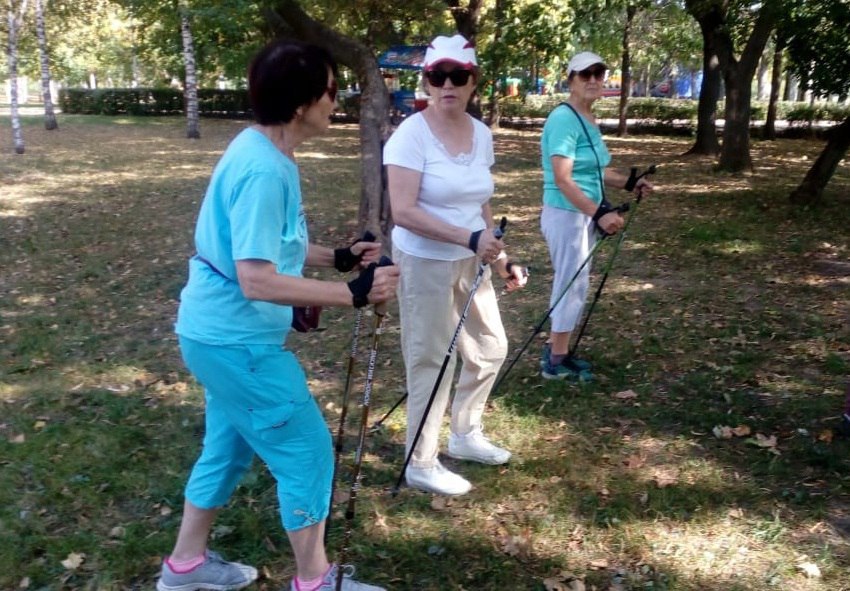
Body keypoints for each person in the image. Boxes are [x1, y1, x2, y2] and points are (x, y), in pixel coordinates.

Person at [156, 40, 399, 591]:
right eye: (331, 91)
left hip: (218, 338)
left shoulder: (265, 150)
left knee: (227, 445)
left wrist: (334, 257)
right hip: (236, 344)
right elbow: (255, 278)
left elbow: (266, 247)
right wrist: (354, 290)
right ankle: (316, 582)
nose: (338, 101)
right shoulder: (264, 169)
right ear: (300, 105)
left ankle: (184, 567)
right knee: (308, 450)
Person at [384, 34, 528, 497]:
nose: (448, 84)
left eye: (458, 76)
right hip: (423, 261)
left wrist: (499, 255)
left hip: (472, 259)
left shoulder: (481, 133)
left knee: (490, 347)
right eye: (437, 76)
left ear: (472, 82)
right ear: (426, 80)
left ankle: (465, 435)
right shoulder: (410, 135)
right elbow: (403, 211)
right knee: (431, 360)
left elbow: (482, 203)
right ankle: (420, 462)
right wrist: (468, 238)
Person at [539, 51, 654, 381]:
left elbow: (595, 170)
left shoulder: (586, 117)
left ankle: (557, 350)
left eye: (598, 73)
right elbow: (563, 178)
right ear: (570, 79)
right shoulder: (563, 118)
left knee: (576, 283)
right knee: (570, 284)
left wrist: (630, 182)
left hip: (581, 212)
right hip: (566, 213)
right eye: (584, 74)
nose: (592, 80)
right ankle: (554, 363)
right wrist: (600, 213)